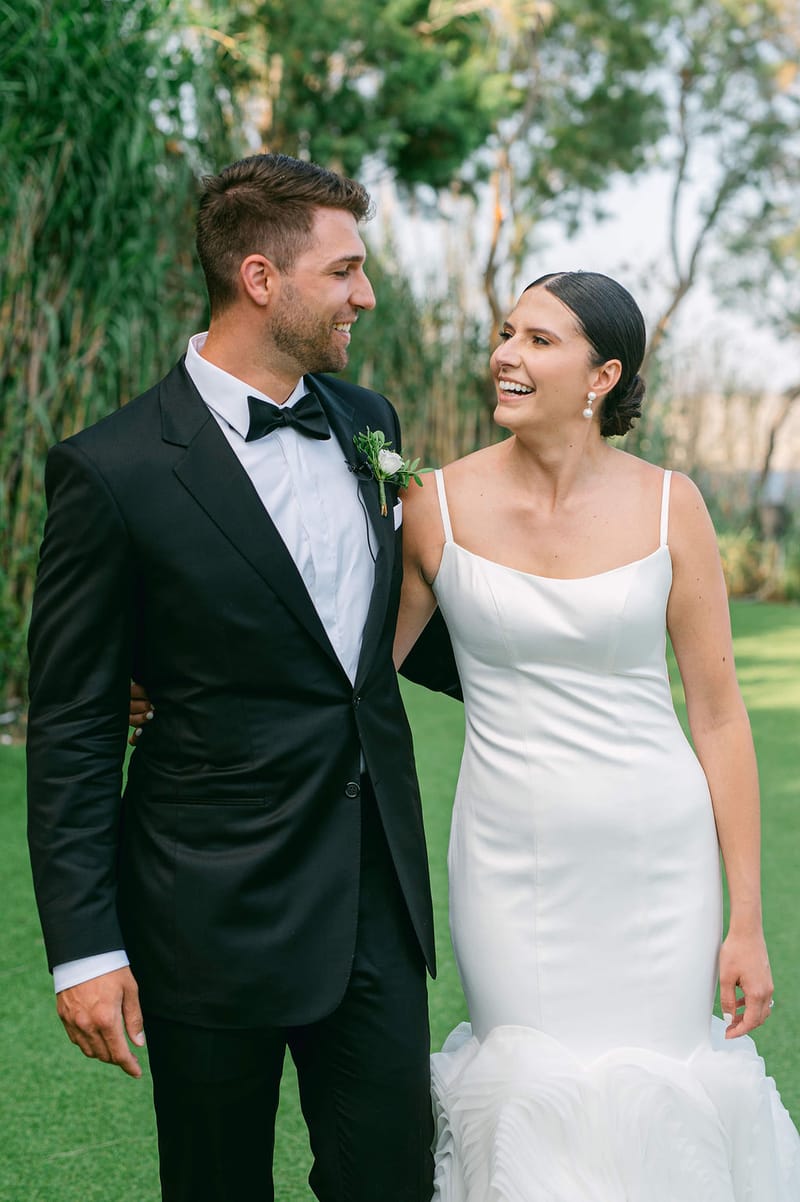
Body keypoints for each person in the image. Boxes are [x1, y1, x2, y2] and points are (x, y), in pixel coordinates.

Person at [26, 153, 444, 1202]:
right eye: (345, 271)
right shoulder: (111, 468)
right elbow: (75, 724)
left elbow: (371, 635)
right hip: (207, 907)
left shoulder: (369, 422)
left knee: (391, 1175)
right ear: (261, 278)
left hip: (370, 895)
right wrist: (84, 951)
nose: (367, 294)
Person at [395, 271, 800, 1198]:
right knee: (530, 1086)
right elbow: (350, 677)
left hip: (659, 863)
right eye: (505, 333)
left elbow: (719, 713)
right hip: (509, 863)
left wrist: (747, 922)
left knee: (664, 1093)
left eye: (540, 340)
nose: (506, 354)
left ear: (602, 376)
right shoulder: (432, 504)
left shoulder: (672, 505)